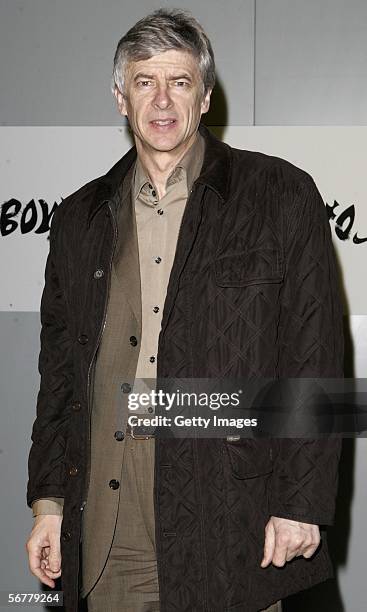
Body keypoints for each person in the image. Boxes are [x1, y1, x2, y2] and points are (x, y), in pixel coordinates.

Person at [25, 8, 344, 612]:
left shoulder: (280, 195)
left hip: (229, 513)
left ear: (204, 98)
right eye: (145, 82)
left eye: (180, 82)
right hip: (110, 519)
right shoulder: (77, 219)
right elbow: (58, 378)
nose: (163, 100)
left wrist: (301, 503)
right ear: (121, 97)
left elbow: (315, 356)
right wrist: (48, 504)